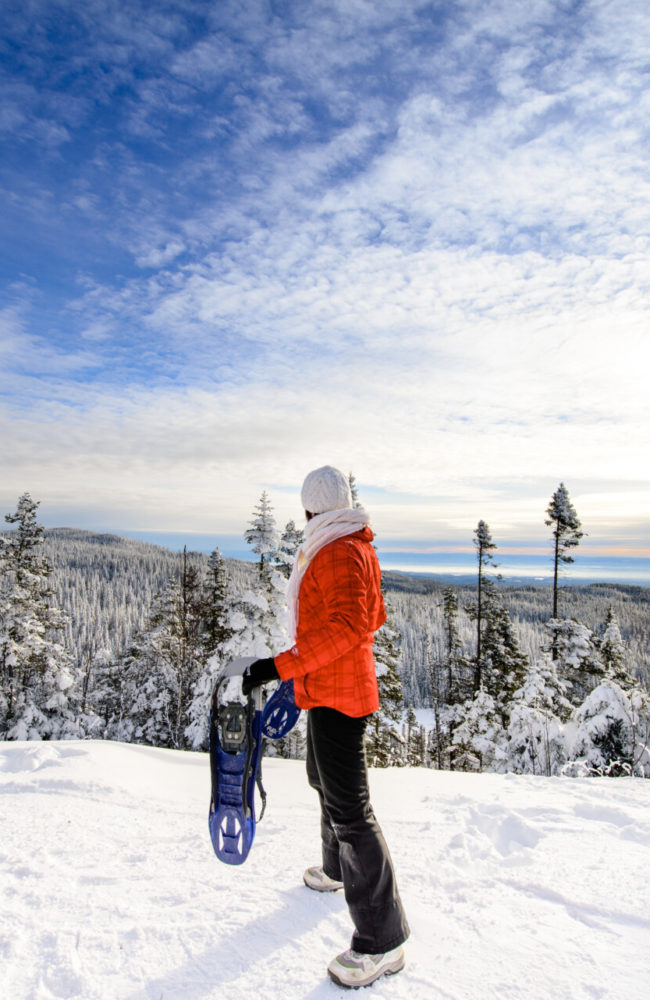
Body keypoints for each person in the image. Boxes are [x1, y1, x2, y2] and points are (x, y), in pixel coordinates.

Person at [243, 465, 409, 989]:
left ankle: (383, 942)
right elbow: (370, 615)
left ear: (312, 509)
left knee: (351, 811)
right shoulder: (350, 543)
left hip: (338, 694)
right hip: (329, 688)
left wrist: (280, 665)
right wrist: (302, 671)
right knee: (323, 780)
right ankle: (337, 870)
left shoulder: (337, 549)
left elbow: (348, 625)